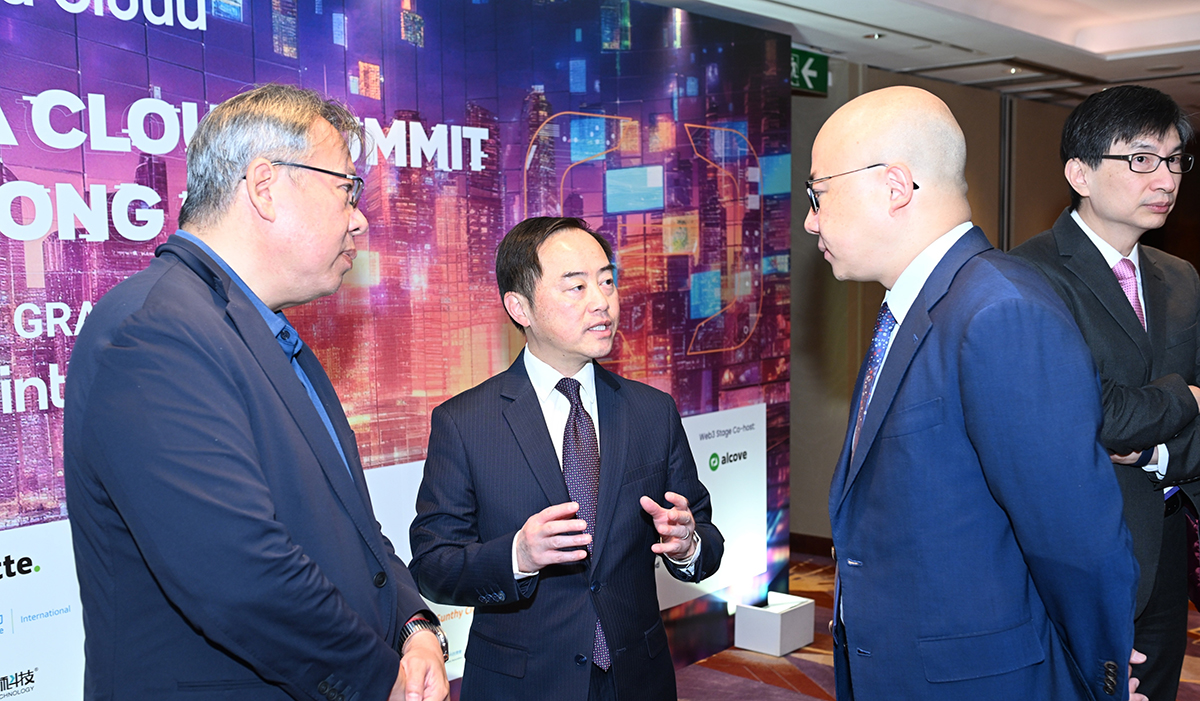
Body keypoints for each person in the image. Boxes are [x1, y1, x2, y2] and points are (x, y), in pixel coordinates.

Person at [64, 84, 449, 701]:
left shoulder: (265, 335)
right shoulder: (156, 331)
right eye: (345, 187)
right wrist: (380, 681)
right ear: (265, 187)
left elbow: (352, 530)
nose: (360, 216)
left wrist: (414, 626)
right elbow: (238, 572)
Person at [806, 86, 1138, 700]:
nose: (810, 220)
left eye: (818, 194)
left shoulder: (998, 312)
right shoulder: (921, 307)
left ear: (895, 186)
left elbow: (1076, 539)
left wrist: (1099, 683)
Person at [408, 216, 724, 700]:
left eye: (606, 281)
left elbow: (704, 535)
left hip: (636, 679)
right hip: (523, 684)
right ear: (520, 307)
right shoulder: (464, 422)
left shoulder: (651, 411)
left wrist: (689, 546)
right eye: (575, 287)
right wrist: (517, 556)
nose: (602, 302)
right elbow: (433, 564)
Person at [1010, 84, 1198, 701]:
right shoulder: (1028, 274)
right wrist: (1188, 398)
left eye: (1174, 160)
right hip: (1080, 549)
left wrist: (1157, 452)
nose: (1164, 177)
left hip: (1170, 541)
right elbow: (1097, 415)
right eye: (1141, 159)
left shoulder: (1181, 277)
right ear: (1080, 172)